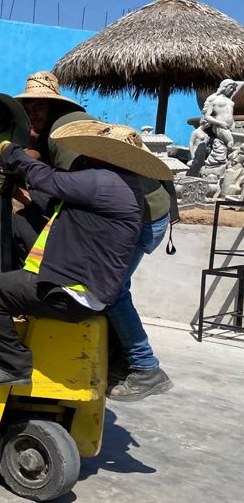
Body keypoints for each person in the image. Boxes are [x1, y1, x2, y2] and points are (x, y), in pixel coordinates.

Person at [0, 120, 173, 386]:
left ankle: (13, 365)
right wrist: (16, 190)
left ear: (104, 154)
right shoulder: (120, 184)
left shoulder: (104, 181)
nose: (83, 156)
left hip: (71, 294)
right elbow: (54, 203)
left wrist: (9, 150)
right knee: (21, 224)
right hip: (82, 286)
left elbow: (47, 179)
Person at [47, 127, 177, 401]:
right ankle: (120, 359)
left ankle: (146, 368)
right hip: (149, 220)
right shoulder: (93, 162)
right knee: (113, 288)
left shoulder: (111, 168)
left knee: (114, 291)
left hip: (146, 224)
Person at [0, 71, 90, 274]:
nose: (33, 114)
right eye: (27, 110)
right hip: (45, 198)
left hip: (67, 210)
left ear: (53, 108)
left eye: (39, 107)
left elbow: (32, 158)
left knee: (21, 221)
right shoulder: (34, 131)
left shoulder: (58, 136)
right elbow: (22, 148)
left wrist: (14, 181)